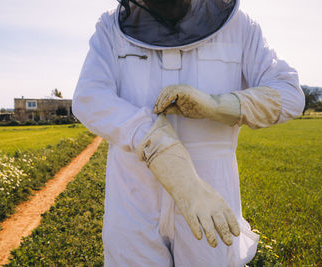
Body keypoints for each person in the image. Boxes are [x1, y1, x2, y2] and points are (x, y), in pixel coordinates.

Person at [72, 0, 305, 266]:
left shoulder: (240, 26)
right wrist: (157, 145)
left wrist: (218, 104)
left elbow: (288, 94)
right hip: (133, 202)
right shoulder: (111, 27)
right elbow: (90, 97)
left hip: (210, 200)